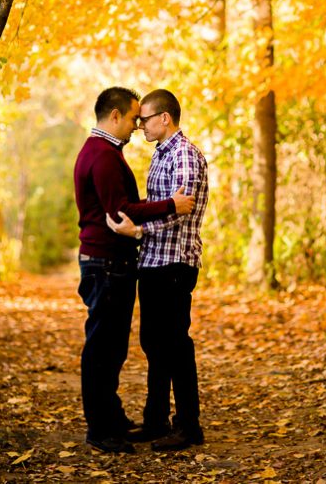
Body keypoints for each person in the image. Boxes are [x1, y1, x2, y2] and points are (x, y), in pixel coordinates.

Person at [73, 86, 196, 454]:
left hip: (124, 261)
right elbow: (119, 209)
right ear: (114, 116)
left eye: (141, 119)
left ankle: (112, 417)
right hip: (107, 262)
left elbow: (127, 207)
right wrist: (169, 205)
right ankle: (101, 427)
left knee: (115, 347)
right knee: (104, 347)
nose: (135, 126)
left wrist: (147, 219)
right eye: (131, 118)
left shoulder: (104, 152)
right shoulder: (103, 154)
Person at [107, 89, 208, 451]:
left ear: (164, 118)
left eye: (145, 118)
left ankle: (188, 426)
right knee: (154, 344)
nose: (139, 125)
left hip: (175, 263)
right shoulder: (161, 154)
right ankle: (155, 420)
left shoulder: (184, 154)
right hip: (153, 262)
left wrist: (137, 230)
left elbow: (178, 213)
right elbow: (160, 205)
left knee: (176, 345)